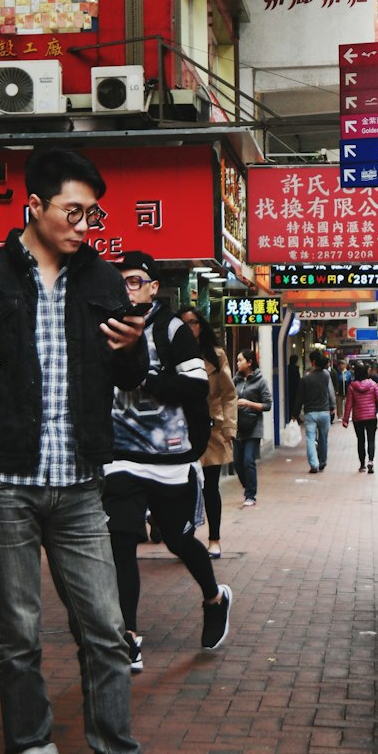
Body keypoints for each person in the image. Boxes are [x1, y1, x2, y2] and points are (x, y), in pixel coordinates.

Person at [0, 148, 189, 754]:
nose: (85, 224)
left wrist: (134, 341)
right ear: (34, 209)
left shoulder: (102, 277)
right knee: (17, 635)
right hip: (8, 486)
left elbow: (128, 373)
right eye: (73, 212)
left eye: (93, 213)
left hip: (79, 486)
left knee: (106, 630)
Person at [102, 255, 232, 672]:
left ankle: (214, 598)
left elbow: (195, 383)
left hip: (170, 456)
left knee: (177, 540)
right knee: (121, 541)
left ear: (153, 288)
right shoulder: (106, 326)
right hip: (120, 456)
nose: (128, 288)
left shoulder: (170, 329)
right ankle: (128, 637)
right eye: (120, 282)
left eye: (136, 281)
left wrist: (144, 378)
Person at [179, 306, 237, 558]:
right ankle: (188, 542)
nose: (188, 328)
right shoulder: (170, 355)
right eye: (183, 324)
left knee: (210, 488)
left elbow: (229, 393)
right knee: (184, 488)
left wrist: (229, 427)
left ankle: (214, 539)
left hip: (212, 430)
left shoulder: (216, 355)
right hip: (181, 431)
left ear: (201, 325)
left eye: (192, 322)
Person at [232, 348, 272, 507]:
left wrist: (248, 403)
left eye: (240, 360)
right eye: (237, 360)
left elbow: (268, 405)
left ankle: (251, 495)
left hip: (254, 426)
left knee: (248, 460)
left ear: (249, 362)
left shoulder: (261, 381)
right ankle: (248, 486)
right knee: (237, 462)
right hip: (237, 426)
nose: (238, 363)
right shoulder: (236, 380)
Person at [293, 347, 335, 474]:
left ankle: (314, 464)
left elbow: (299, 398)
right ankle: (322, 461)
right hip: (324, 412)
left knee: (310, 439)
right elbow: (330, 392)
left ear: (313, 363)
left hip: (310, 413)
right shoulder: (326, 376)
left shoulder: (305, 379)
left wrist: (295, 414)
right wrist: (332, 406)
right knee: (323, 438)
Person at [343, 360, 378, 473]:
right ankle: (370, 461)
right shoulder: (372, 384)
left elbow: (349, 404)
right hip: (371, 417)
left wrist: (345, 419)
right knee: (371, 439)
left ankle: (362, 465)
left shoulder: (352, 386)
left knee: (361, 440)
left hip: (358, 418)